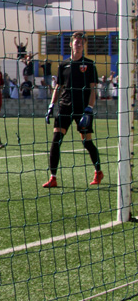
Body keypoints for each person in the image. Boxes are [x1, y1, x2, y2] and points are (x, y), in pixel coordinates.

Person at [43, 32, 103, 188]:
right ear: (71, 44)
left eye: (81, 42)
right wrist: (51, 105)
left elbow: (93, 89)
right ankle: (53, 177)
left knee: (87, 142)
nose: (79, 44)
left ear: (84, 46)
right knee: (56, 141)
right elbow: (58, 87)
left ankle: (98, 172)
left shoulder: (89, 65)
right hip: (64, 106)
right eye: (76, 42)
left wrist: (89, 109)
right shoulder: (63, 65)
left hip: (82, 109)